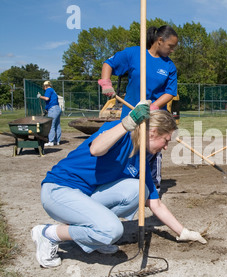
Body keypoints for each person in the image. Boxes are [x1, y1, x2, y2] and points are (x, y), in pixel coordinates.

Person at [31, 104, 206, 268]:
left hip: (86, 195)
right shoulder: (120, 133)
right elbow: (96, 149)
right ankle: (48, 234)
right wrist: (126, 123)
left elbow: (155, 203)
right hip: (59, 190)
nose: (166, 147)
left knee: (139, 189)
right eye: (166, 140)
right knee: (112, 230)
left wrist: (183, 232)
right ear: (152, 133)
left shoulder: (141, 159)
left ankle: (95, 237)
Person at [98, 25, 178, 193]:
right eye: (170, 46)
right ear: (160, 40)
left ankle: (151, 187)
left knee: (152, 150)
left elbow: (170, 92)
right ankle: (124, 184)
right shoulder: (135, 54)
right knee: (128, 148)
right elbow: (109, 63)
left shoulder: (169, 66)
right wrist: (106, 83)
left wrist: (153, 108)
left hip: (155, 117)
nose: (172, 50)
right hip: (131, 114)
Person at [37, 81, 61, 146]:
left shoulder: (48, 90)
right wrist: (46, 110)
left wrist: (40, 97)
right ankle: (57, 141)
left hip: (53, 109)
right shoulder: (53, 90)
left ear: (45, 86)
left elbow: (47, 98)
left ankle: (51, 141)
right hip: (57, 108)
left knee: (51, 125)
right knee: (57, 125)